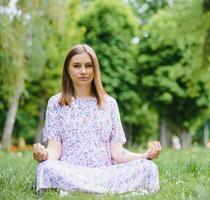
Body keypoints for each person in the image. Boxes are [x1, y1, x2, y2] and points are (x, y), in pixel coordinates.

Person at [32, 44, 161, 196]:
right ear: (68, 68)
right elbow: (55, 149)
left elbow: (117, 151)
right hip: (71, 173)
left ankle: (75, 191)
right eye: (76, 66)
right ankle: (112, 192)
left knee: (148, 167)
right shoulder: (56, 103)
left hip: (105, 174)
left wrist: (144, 156)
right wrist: (44, 155)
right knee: (45, 168)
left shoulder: (110, 104)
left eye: (88, 66)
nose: (83, 71)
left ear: (95, 69)